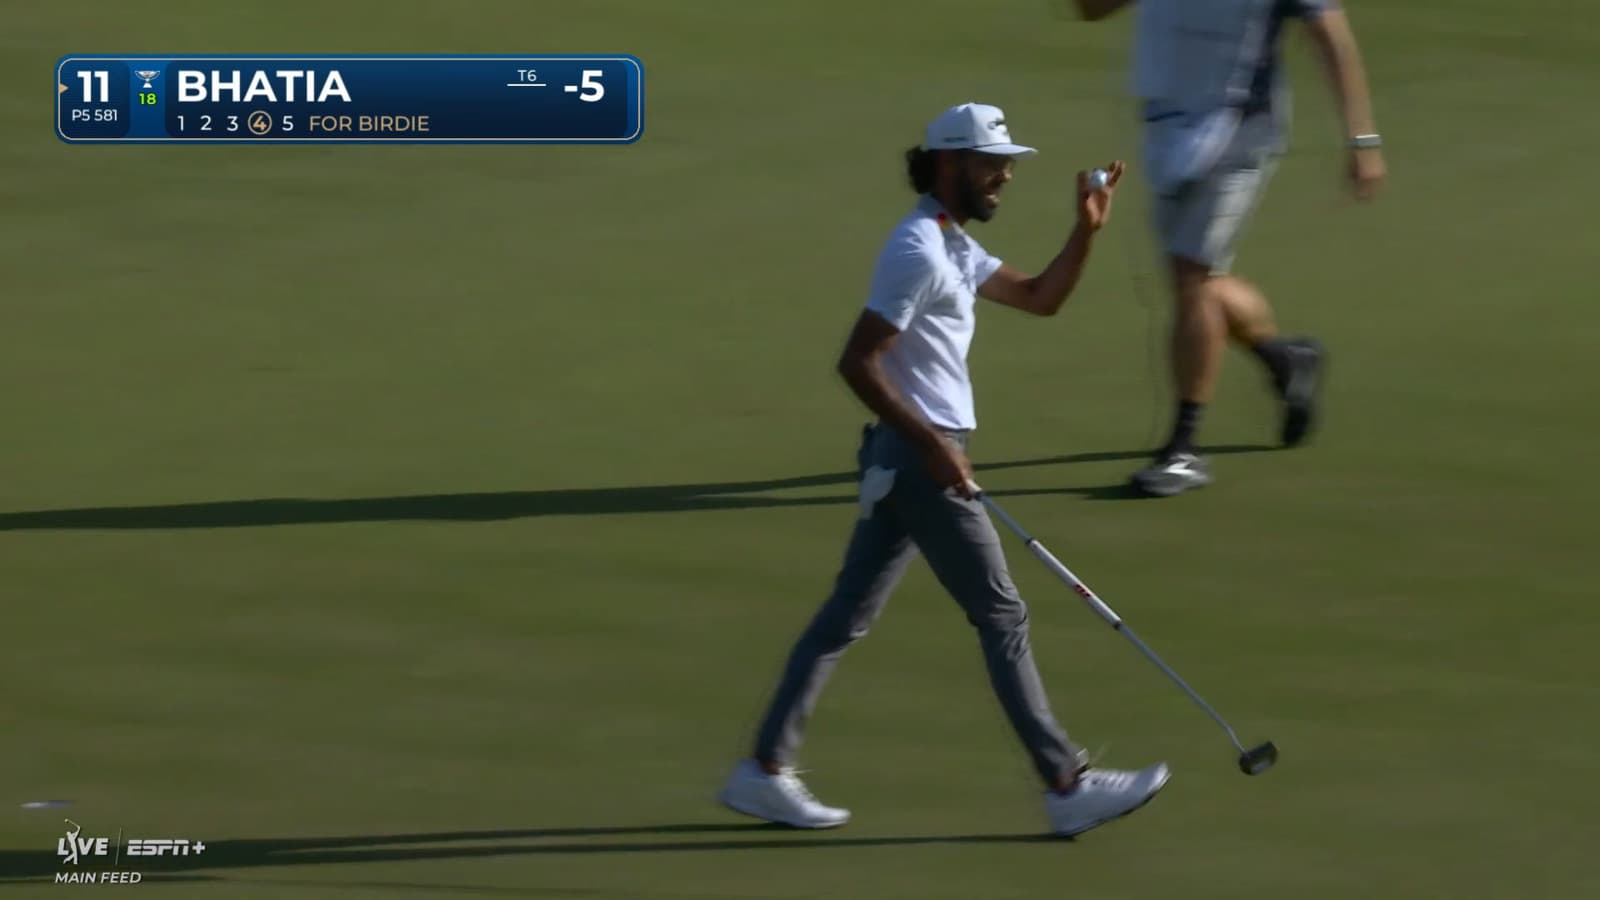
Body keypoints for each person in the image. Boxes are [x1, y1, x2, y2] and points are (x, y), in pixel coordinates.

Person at [716, 102, 1169, 838]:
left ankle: (761, 771)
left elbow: (1038, 298)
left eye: (1007, 163)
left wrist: (1085, 233)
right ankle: (1065, 784)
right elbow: (856, 361)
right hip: (921, 458)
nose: (1006, 176)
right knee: (1001, 614)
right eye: (993, 164)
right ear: (950, 163)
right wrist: (931, 444)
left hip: (908, 458)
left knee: (846, 615)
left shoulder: (952, 245)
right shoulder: (916, 251)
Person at [1074, 0, 1387, 496]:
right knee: (1197, 283)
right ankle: (1285, 360)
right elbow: (1089, 9)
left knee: (1190, 276)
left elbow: (1330, 33)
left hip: (1236, 126)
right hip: (1166, 121)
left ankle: (1183, 449)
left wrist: (1362, 140)